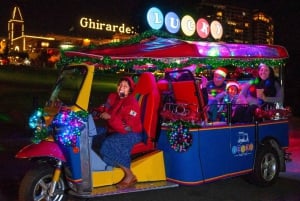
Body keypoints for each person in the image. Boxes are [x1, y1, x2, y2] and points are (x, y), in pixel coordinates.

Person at [95, 76, 142, 189]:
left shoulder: (131, 104)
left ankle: (130, 175)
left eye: (125, 86)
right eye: (120, 85)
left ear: (130, 90)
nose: (121, 88)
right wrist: (97, 112)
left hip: (132, 133)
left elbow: (126, 128)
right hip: (113, 129)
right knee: (91, 134)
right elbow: (104, 108)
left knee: (109, 143)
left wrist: (110, 117)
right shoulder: (114, 98)